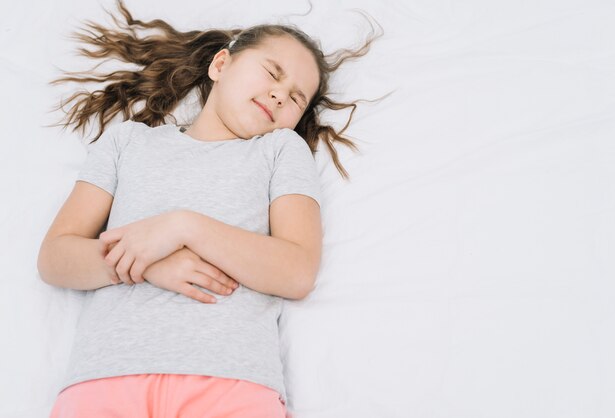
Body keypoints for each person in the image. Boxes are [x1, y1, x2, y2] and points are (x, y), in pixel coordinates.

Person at [38, 0, 384, 416]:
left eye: (296, 98)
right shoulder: (128, 142)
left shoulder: (280, 150)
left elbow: (296, 272)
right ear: (221, 65)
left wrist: (185, 227)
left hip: (230, 380)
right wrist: (147, 264)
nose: (279, 94)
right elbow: (55, 257)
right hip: (106, 376)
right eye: (272, 73)